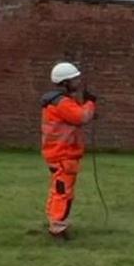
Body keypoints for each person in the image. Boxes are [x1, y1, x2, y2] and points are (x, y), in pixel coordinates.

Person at [41, 61, 96, 240]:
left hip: (57, 153)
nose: (78, 82)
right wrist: (91, 103)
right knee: (63, 191)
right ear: (65, 82)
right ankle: (58, 228)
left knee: (57, 189)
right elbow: (81, 117)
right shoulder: (62, 103)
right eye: (74, 79)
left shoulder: (58, 101)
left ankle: (53, 221)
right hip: (63, 154)